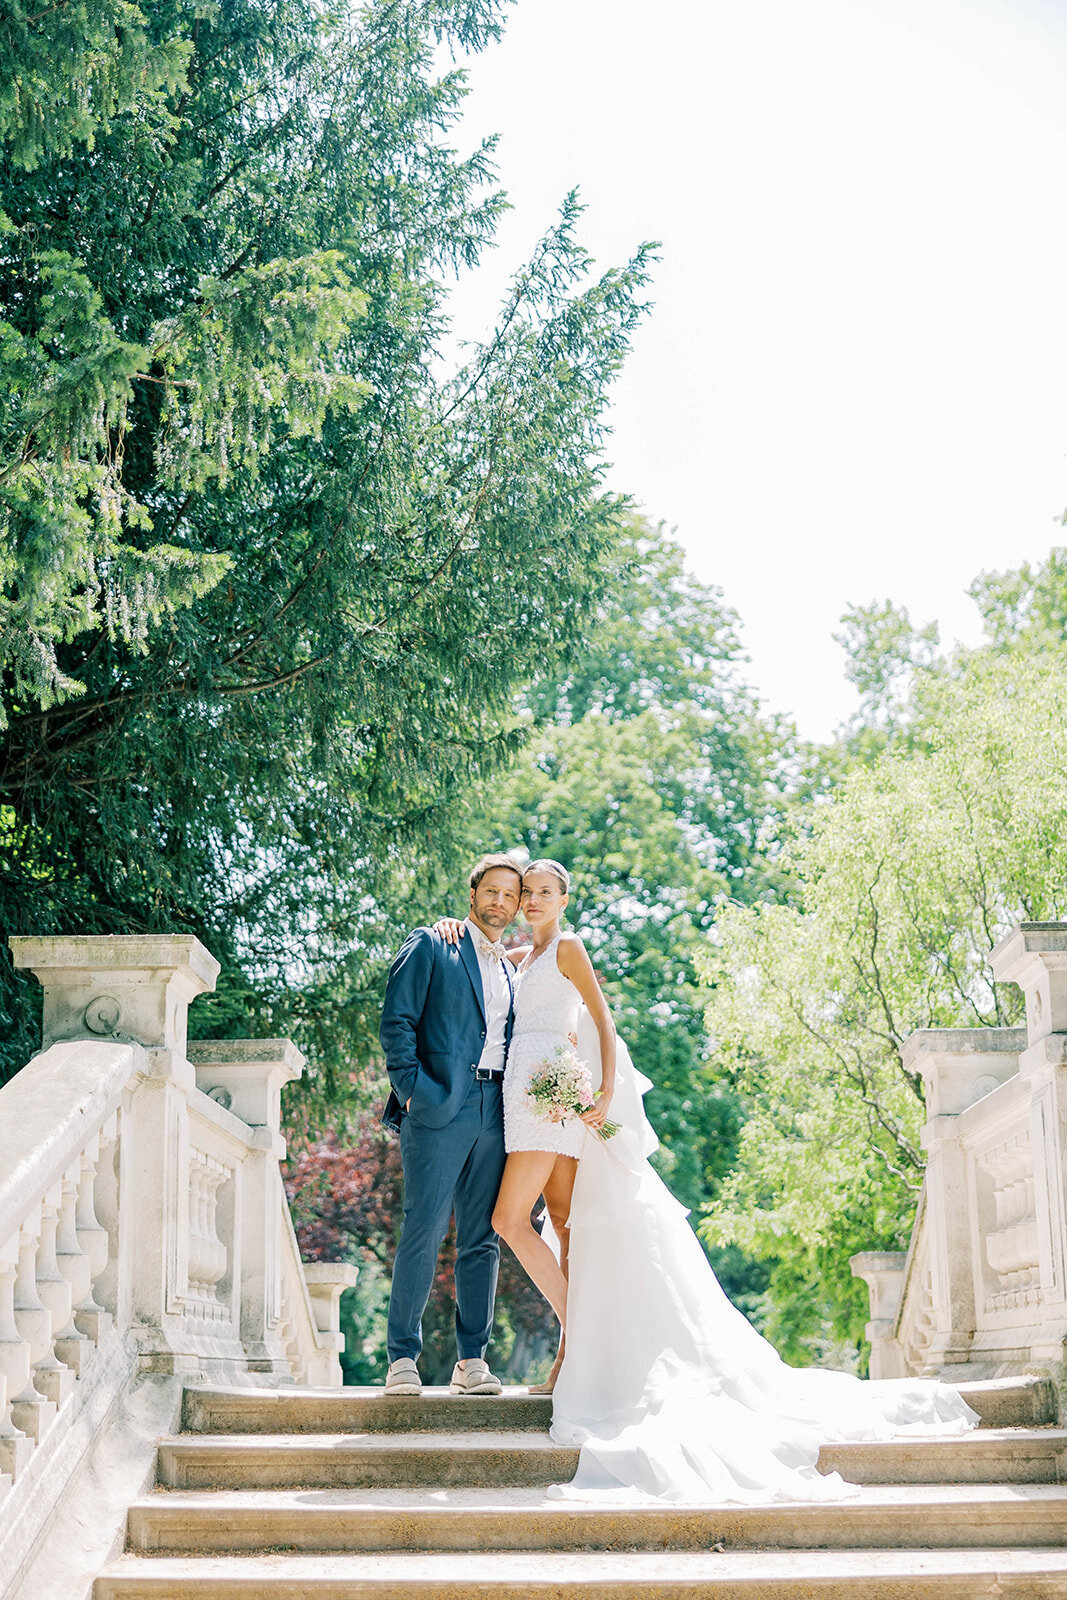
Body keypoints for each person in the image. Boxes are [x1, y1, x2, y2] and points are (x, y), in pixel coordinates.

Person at [435, 858, 979, 1503]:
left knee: (509, 1222)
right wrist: (451, 924)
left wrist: (603, 1092)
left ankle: (578, 1338)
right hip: (529, 1093)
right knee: (559, 1226)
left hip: (554, 1101)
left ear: (564, 897)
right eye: (525, 893)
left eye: (543, 892)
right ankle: (571, 1352)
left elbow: (602, 1022)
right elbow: (504, 980)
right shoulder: (522, 955)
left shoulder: (571, 946)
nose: (529, 901)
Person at [379, 854, 522, 1397]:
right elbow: (397, 1019)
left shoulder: (509, 965)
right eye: (492, 891)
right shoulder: (433, 943)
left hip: (497, 1107)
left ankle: (472, 1361)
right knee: (424, 1228)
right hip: (440, 1106)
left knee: (482, 1239)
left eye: (511, 895)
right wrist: (413, 1090)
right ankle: (401, 1360)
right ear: (472, 893)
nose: (500, 902)